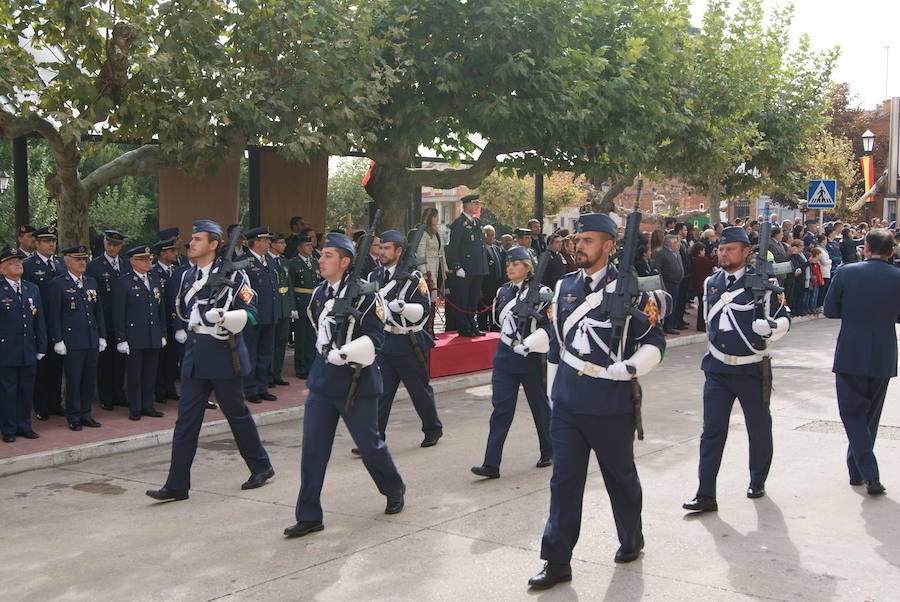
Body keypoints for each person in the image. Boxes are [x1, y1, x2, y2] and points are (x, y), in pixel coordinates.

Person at [529, 214, 668, 589]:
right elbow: (557, 341)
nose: (579, 246)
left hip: (610, 400)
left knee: (620, 478)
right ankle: (557, 561)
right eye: (578, 240)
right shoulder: (564, 287)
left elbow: (655, 341)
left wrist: (633, 367)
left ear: (608, 246)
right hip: (569, 402)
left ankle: (631, 537)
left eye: (588, 241)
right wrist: (549, 385)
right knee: (564, 482)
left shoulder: (633, 289)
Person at [283, 233, 406, 538]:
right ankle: (309, 514)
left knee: (369, 446)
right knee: (312, 451)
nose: (320, 260)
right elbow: (316, 331)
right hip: (323, 382)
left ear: (345, 261)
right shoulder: (319, 295)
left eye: (327, 256)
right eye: (321, 255)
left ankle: (394, 488)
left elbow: (378, 337)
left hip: (357, 382)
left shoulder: (366, 295)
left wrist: (347, 353)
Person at [146, 220, 274, 502]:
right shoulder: (186, 276)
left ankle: (261, 466)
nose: (190, 243)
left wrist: (225, 319)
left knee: (236, 415)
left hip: (224, 352)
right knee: (186, 421)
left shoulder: (235, 275)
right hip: (195, 354)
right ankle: (177, 484)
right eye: (191, 239)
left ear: (214, 244)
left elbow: (252, 312)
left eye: (197, 239)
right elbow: (181, 309)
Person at [682, 226, 791, 514]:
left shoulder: (764, 281)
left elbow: (785, 318)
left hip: (751, 369)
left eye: (730, 249)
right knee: (711, 432)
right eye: (721, 248)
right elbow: (711, 321)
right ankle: (705, 493)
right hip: (717, 368)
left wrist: (772, 328)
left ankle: (757, 480)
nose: (723, 253)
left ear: (745, 252)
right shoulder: (711, 283)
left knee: (758, 427)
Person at [823, 229, 900, 495]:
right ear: (891, 253)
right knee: (869, 418)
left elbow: (830, 310)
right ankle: (856, 471)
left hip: (851, 351)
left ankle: (869, 472)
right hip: (883, 352)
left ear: (865, 247)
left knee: (852, 415)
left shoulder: (846, 272)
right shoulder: (897, 277)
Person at [471, 246, 554, 479]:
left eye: (516, 264)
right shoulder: (503, 292)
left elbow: (550, 326)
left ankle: (549, 450)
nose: (510, 268)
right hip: (505, 355)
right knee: (501, 410)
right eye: (508, 264)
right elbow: (499, 320)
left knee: (540, 407)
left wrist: (530, 342)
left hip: (531, 357)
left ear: (528, 267)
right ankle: (491, 463)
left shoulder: (543, 292)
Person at [369, 230, 443, 447]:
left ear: (399, 251)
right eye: (380, 248)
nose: (381, 252)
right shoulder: (375, 276)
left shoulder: (414, 277)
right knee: (380, 392)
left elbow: (423, 310)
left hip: (407, 341)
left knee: (418, 390)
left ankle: (432, 429)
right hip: (384, 340)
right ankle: (374, 437)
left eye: (386, 248)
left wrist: (403, 307)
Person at [46, 245, 107, 431]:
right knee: (74, 380)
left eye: (84, 259)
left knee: (89, 379)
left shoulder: (90, 282)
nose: (82, 263)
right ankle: (73, 416)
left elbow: (98, 312)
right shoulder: (59, 283)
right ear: (67, 262)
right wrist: (58, 340)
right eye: (78, 259)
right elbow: (54, 315)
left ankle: (86, 414)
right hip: (72, 341)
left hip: (90, 338)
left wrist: (101, 335)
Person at [114, 245, 167, 421]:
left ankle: (148, 405)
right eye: (143, 259)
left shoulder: (154, 279)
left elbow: (161, 309)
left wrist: (163, 333)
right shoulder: (124, 282)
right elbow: (118, 313)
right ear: (133, 261)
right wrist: (121, 338)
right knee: (135, 375)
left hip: (153, 334)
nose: (147, 262)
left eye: (149, 259)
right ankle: (135, 408)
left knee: (150, 373)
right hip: (134, 336)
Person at [0, 248, 46, 442]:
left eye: (18, 261)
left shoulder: (31, 288)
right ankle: (9, 429)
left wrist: (41, 345)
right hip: (6, 349)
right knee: (8, 391)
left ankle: (25, 425)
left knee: (27, 390)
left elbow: (39, 319)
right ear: (2, 269)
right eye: (12, 262)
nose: (18, 264)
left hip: (28, 347)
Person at [23, 226, 66, 420]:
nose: (51, 244)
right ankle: (40, 405)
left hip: (61, 322)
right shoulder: (29, 265)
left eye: (53, 241)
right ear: (37, 243)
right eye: (47, 241)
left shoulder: (60, 264)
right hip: (40, 321)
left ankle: (55, 402)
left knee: (57, 364)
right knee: (42, 365)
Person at [87, 230, 129, 411]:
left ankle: (119, 393)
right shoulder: (94, 266)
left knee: (121, 360)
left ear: (121, 246)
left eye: (116, 244)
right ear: (104, 243)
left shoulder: (126, 264)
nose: (112, 247)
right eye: (109, 243)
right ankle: (106, 396)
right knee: (105, 361)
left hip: (124, 320)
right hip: (105, 319)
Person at [239, 227, 279, 403]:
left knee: (265, 353)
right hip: (253, 316)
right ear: (256, 242)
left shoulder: (268, 259)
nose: (269, 242)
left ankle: (262, 387)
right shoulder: (243, 261)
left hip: (269, 314)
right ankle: (249, 389)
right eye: (266, 240)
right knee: (251, 354)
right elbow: (242, 291)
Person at [446, 194, 489, 338]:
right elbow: (453, 247)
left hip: (477, 267)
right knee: (463, 300)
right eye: (475, 203)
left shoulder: (477, 223)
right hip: (465, 269)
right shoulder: (459, 223)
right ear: (467, 205)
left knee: (473, 299)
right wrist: (457, 266)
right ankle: (464, 328)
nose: (477, 205)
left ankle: (472, 325)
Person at [152, 239, 182, 403]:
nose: (175, 253)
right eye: (171, 251)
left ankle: (170, 387)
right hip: (160, 320)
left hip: (175, 320)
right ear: (162, 253)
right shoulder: (153, 271)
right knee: (159, 359)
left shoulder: (177, 271)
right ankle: (159, 390)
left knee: (172, 357)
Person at [288, 235, 320, 379]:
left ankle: (311, 365)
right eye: (307, 245)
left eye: (310, 245)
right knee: (301, 337)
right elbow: (290, 286)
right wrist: (292, 307)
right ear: (299, 247)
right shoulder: (293, 263)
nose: (310, 248)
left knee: (312, 337)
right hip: (301, 303)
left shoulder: (314, 262)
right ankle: (301, 368)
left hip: (313, 303)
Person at [415, 207, 448, 339]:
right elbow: (420, 253)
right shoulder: (423, 232)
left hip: (437, 269)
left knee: (434, 301)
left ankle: (431, 329)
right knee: (427, 300)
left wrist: (444, 270)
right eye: (434, 216)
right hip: (427, 270)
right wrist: (423, 273)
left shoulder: (437, 232)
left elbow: (442, 253)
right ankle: (425, 330)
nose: (437, 218)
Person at [268, 233, 294, 387]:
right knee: (270, 343)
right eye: (281, 243)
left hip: (284, 306)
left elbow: (288, 284)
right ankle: (268, 375)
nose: (284, 246)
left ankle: (277, 373)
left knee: (281, 342)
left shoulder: (284, 261)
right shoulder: (268, 260)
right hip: (273, 306)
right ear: (273, 244)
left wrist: (291, 306)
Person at [654, 234, 684, 334]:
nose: (678, 244)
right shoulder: (661, 253)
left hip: (677, 283)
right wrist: (662, 285)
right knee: (666, 305)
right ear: (670, 243)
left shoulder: (676, 252)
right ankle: (664, 326)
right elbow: (658, 270)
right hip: (668, 283)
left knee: (673, 304)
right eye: (676, 242)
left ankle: (670, 324)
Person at [479, 225, 505, 333]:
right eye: (487, 235)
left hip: (497, 284)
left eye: (492, 235)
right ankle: (483, 327)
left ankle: (494, 327)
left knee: (495, 309)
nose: (490, 238)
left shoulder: (497, 249)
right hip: (485, 285)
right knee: (483, 309)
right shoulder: (481, 250)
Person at [689, 242, 718, 332]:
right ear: (699, 251)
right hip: (701, 285)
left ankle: (701, 324)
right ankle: (701, 325)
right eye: (703, 250)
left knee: (702, 305)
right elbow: (712, 263)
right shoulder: (700, 260)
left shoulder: (696, 259)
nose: (704, 252)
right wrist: (717, 256)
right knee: (702, 306)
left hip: (698, 284)